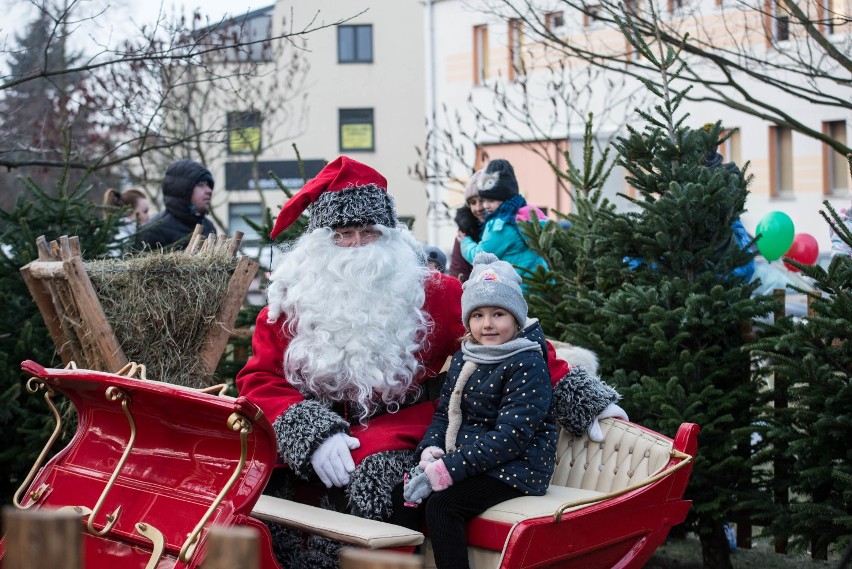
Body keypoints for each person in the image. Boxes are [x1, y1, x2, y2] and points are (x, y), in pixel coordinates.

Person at [235, 156, 623, 569]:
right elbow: (259, 378)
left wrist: (581, 397)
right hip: (322, 422)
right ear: (321, 241)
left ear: (389, 236)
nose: (358, 246)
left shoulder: (433, 293)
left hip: (404, 427)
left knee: (377, 478)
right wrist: (310, 434)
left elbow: (513, 340)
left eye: (369, 232)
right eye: (344, 234)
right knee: (268, 481)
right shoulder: (291, 303)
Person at [387, 252, 561, 569]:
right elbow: (444, 414)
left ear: (516, 319)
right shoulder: (468, 355)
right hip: (474, 459)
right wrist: (431, 452)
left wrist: (449, 469)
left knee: (443, 504)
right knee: (406, 495)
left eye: (498, 314)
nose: (488, 324)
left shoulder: (527, 361)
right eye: (478, 316)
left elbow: (511, 437)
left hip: (517, 468)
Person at [459, 159, 547, 283]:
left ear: (505, 198)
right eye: (484, 200)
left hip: (517, 290)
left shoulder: (501, 225)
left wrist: (465, 243)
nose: (485, 206)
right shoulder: (526, 215)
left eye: (491, 201)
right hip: (538, 286)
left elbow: (480, 256)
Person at [139, 159, 215, 249]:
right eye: (201, 184)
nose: (209, 191)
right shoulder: (152, 232)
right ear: (182, 188)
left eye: (209, 185)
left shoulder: (209, 227)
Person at [449, 170, 487, 281]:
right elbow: (457, 273)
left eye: (482, 201)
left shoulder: (501, 228)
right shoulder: (464, 232)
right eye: (473, 202)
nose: (478, 208)